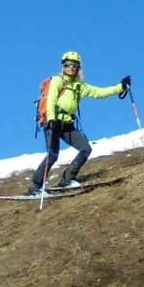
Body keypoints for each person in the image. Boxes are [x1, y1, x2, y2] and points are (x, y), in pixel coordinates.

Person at [19, 51, 130, 197]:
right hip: (52, 122)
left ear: (78, 67)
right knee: (52, 155)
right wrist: (51, 118)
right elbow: (51, 100)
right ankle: (35, 187)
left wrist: (120, 87)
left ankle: (67, 179)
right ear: (63, 67)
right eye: (68, 65)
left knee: (85, 148)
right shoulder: (57, 81)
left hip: (67, 124)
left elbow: (100, 92)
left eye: (74, 65)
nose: (71, 67)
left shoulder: (79, 86)